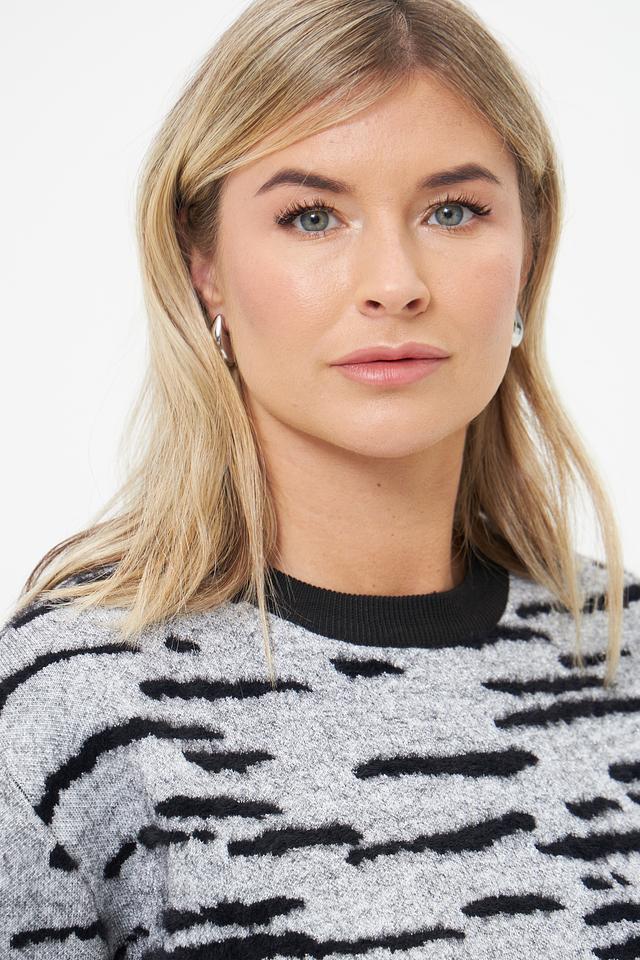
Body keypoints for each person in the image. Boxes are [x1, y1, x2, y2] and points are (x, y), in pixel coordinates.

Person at [1, 0, 638, 957]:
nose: (395, 282)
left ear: (530, 250)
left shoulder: (623, 654)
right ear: (205, 266)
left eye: (453, 211)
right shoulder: (70, 708)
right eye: (311, 217)